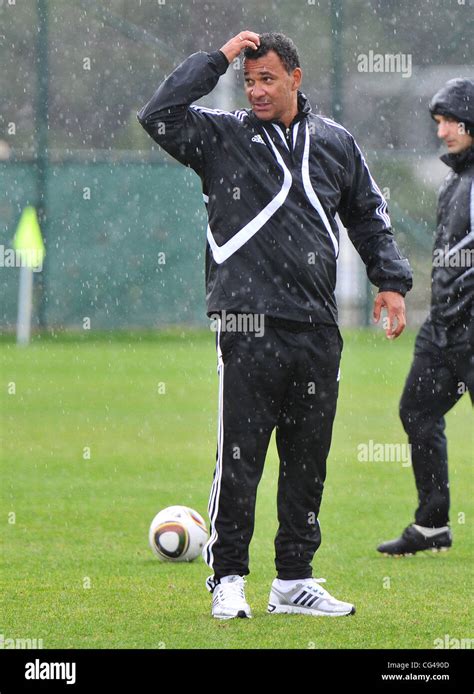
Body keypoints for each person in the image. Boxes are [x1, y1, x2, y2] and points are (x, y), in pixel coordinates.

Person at [138, 31, 412, 619]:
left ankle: (294, 579)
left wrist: (390, 282)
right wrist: (218, 59)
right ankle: (228, 577)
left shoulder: (337, 143)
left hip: (317, 327)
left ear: (296, 78)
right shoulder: (221, 136)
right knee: (240, 460)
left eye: (268, 79)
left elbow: (368, 215)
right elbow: (158, 114)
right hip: (248, 324)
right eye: (249, 80)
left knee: (308, 461)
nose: (257, 90)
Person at [378, 79, 474, 557]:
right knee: (416, 410)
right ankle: (434, 524)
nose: (441, 132)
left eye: (450, 121)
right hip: (443, 332)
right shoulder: (454, 182)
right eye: (438, 122)